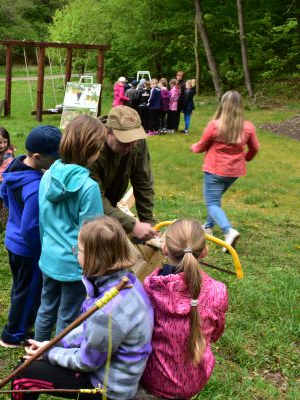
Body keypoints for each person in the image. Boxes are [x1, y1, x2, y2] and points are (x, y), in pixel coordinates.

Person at [12, 216, 153, 400]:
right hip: (113, 372)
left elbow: (86, 361)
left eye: (78, 249)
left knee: (23, 374)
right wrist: (51, 346)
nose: (75, 253)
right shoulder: (127, 281)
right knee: (30, 364)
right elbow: (89, 330)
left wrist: (48, 354)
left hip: (106, 389)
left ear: (94, 258)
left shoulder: (107, 312)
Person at [35, 116, 105, 341]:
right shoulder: (89, 187)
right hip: (74, 265)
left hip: (48, 258)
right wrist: (85, 261)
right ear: (92, 150)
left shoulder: (47, 177)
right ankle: (57, 363)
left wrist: (49, 248)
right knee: (69, 316)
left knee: (46, 307)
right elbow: (92, 236)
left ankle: (35, 356)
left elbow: (44, 220)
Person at [141, 218, 228, 399]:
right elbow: (216, 334)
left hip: (152, 380)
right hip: (193, 381)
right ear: (204, 251)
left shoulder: (150, 286)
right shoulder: (217, 291)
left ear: (165, 249)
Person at [0, 125, 61, 348]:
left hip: (12, 241)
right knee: (29, 292)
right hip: (28, 249)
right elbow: (30, 228)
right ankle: (13, 335)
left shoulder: (16, 166)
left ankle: (20, 322)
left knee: (20, 287)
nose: (57, 162)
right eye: (54, 158)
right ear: (37, 157)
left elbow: (4, 192)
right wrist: (42, 247)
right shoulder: (35, 187)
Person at [191, 90, 260, 250]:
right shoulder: (248, 127)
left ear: (223, 105)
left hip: (215, 170)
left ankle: (228, 231)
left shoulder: (215, 126)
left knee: (212, 202)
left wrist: (193, 147)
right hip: (234, 172)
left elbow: (201, 146)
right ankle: (208, 227)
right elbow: (255, 148)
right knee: (215, 200)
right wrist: (247, 158)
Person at [90, 106, 158, 242]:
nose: (130, 147)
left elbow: (143, 182)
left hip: (110, 204)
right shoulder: (92, 149)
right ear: (107, 132)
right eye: (123, 142)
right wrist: (133, 225)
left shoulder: (137, 142)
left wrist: (147, 221)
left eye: (133, 142)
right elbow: (94, 199)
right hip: (86, 212)